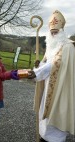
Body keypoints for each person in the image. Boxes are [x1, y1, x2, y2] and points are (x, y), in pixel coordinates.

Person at [28, 10, 75, 142]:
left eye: (56, 32)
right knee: (45, 113)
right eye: (51, 32)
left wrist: (37, 72)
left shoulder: (68, 47)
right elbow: (45, 64)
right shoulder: (50, 47)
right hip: (47, 86)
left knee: (57, 115)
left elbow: (54, 66)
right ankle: (44, 136)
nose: (53, 35)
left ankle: (55, 139)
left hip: (61, 88)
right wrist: (38, 66)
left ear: (62, 30)